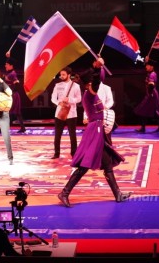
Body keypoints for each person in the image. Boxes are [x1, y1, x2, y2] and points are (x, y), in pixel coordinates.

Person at [58, 58, 131, 207]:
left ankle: (117, 194)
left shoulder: (91, 94)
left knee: (107, 163)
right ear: (89, 84)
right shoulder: (89, 95)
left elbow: (96, 81)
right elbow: (97, 80)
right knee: (85, 165)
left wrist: (96, 67)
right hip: (94, 131)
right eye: (93, 83)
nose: (95, 85)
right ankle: (64, 193)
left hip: (98, 131)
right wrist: (97, 67)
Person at [50, 66, 82, 159]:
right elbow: (53, 98)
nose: (61, 76)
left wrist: (70, 100)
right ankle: (56, 153)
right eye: (61, 75)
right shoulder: (57, 85)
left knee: (72, 134)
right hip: (59, 112)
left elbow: (79, 98)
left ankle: (74, 153)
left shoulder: (76, 86)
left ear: (69, 75)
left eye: (63, 74)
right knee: (57, 134)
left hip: (71, 113)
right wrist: (58, 103)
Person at [134, 58, 159, 133]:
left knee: (144, 110)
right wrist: (147, 60)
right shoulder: (150, 73)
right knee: (145, 110)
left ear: (152, 67)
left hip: (151, 95)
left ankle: (157, 127)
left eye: (147, 65)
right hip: (151, 94)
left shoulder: (152, 74)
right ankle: (146, 128)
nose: (146, 67)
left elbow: (151, 85)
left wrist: (150, 94)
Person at [4, 58, 26, 133]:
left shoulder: (12, 74)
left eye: (6, 65)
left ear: (11, 66)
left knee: (8, 111)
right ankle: (22, 128)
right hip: (12, 95)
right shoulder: (10, 73)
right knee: (16, 113)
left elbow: (17, 84)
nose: (5, 66)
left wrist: (11, 92)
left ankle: (3, 129)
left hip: (13, 95)